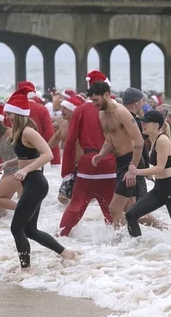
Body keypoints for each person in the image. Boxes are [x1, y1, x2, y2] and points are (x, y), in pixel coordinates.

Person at [1, 86, 77, 268]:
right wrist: (9, 163)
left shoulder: (28, 131)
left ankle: (25, 269)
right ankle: (66, 253)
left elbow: (47, 155)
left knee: (16, 228)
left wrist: (25, 171)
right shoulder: (19, 133)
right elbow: (27, 157)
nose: (7, 118)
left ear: (17, 114)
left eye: (10, 114)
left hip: (36, 182)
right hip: (31, 182)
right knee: (30, 230)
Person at [58, 71, 116, 237]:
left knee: (77, 205)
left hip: (88, 164)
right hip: (110, 163)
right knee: (110, 208)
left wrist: (67, 170)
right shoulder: (116, 109)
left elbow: (70, 142)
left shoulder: (81, 110)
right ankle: (120, 244)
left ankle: (60, 238)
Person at [125, 111, 171, 246]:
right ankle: (136, 249)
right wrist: (148, 173)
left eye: (146, 122)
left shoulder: (162, 140)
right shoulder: (153, 140)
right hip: (160, 188)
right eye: (142, 121)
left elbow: (160, 168)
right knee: (131, 215)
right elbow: (158, 167)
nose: (142, 124)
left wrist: (137, 172)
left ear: (156, 125)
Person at [88, 81, 146, 228]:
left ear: (106, 95)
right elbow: (109, 139)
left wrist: (132, 169)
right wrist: (101, 154)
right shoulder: (102, 114)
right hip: (120, 162)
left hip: (132, 161)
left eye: (96, 100)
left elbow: (139, 141)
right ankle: (166, 229)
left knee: (114, 208)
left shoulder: (121, 112)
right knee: (132, 209)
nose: (94, 104)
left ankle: (120, 242)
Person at [49, 95, 84, 204]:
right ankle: (82, 218)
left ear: (73, 111)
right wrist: (41, 152)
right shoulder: (64, 124)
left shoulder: (83, 125)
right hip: (69, 167)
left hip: (82, 166)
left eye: (65, 108)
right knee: (63, 197)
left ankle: (87, 218)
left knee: (78, 198)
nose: (62, 110)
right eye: (62, 107)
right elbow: (55, 139)